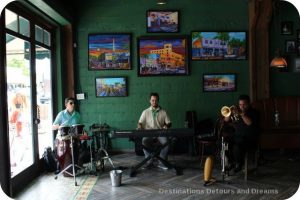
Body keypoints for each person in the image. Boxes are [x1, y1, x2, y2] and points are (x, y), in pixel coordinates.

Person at [222, 94, 260, 173]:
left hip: (249, 138)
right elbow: (225, 121)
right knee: (223, 142)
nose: (242, 106)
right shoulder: (237, 112)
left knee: (237, 146)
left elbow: (250, 123)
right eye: (240, 104)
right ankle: (231, 162)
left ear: (249, 104)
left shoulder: (255, 112)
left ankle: (239, 164)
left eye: (244, 104)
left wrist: (242, 114)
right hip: (237, 136)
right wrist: (229, 114)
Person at [137, 92, 171, 170]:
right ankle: (149, 161)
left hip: (160, 133)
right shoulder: (145, 111)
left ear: (158, 101)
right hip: (148, 132)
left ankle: (162, 162)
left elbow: (169, 123)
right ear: (150, 101)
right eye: (152, 100)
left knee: (167, 143)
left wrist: (166, 125)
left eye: (156, 100)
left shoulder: (163, 111)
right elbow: (140, 122)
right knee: (144, 142)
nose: (154, 102)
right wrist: (139, 126)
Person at [52, 97, 85, 174]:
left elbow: (81, 127)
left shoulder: (77, 115)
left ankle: (75, 166)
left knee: (80, 146)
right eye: (71, 103)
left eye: (73, 103)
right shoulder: (61, 114)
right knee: (58, 146)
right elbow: (52, 127)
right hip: (62, 138)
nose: (73, 105)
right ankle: (60, 166)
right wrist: (59, 126)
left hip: (74, 137)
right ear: (66, 105)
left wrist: (84, 132)